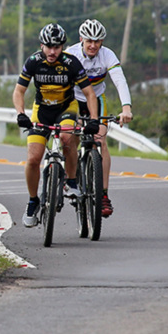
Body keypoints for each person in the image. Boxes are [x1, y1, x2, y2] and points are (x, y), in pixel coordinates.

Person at [13, 23, 99, 228]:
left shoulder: (71, 63)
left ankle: (70, 182)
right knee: (33, 158)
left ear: (62, 46)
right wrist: (21, 114)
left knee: (68, 138)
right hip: (41, 111)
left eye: (57, 47)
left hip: (65, 110)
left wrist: (94, 119)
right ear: (42, 45)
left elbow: (89, 94)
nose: (52, 52)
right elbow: (19, 91)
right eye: (49, 47)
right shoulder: (33, 61)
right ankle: (33, 201)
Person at [66, 19, 133, 217]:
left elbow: (120, 81)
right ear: (81, 40)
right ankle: (71, 176)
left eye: (97, 41)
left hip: (97, 99)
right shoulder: (71, 54)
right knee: (71, 138)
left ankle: (103, 195)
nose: (93, 45)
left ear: (102, 41)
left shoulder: (107, 55)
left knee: (100, 141)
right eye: (89, 41)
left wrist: (126, 108)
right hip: (74, 99)